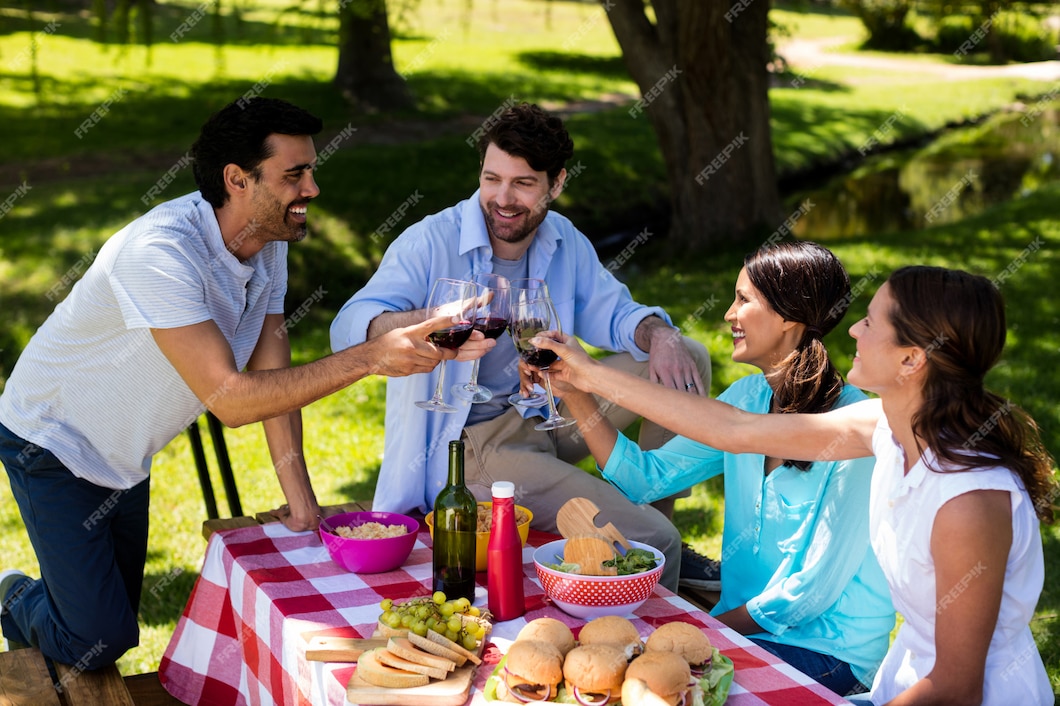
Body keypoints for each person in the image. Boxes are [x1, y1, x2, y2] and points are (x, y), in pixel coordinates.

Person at [0, 98, 479, 667]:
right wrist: (370, 358)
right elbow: (230, 400)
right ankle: (12, 597)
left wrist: (301, 502)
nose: (312, 189)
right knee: (96, 641)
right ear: (237, 180)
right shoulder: (160, 254)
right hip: (52, 439)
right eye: (294, 174)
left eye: (311, 170)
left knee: (107, 625)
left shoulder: (265, 240)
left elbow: (271, 367)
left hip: (126, 452)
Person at [535, 265, 1056, 705]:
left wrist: (713, 628)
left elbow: (957, 689)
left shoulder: (969, 500)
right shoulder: (882, 429)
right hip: (897, 684)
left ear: (911, 359)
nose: (852, 331)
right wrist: (584, 376)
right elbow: (733, 429)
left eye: (871, 323)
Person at [329, 102, 713, 593]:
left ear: (557, 184)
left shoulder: (563, 239)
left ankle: (649, 505)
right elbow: (348, 329)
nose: (502, 199)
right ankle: (652, 553)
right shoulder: (429, 240)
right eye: (492, 179)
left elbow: (618, 315)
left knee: (686, 355)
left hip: (549, 409)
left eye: (523, 184)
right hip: (478, 443)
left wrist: (659, 335)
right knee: (652, 542)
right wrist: (429, 320)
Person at [548, 241, 894, 695]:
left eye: (744, 300)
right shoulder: (747, 400)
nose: (729, 314)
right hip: (744, 631)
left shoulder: (854, 431)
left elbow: (808, 592)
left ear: (789, 316)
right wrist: (573, 389)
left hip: (829, 649)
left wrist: (707, 629)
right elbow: (646, 478)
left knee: (671, 690)